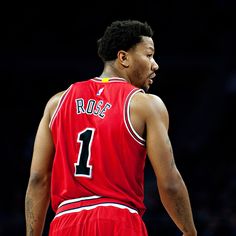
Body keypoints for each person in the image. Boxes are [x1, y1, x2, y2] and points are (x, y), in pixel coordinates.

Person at [25, 19, 197, 236]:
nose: (155, 64)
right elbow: (170, 181)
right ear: (123, 57)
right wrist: (189, 231)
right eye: (149, 55)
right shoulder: (145, 104)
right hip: (117, 220)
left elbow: (38, 180)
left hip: (64, 223)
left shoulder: (57, 103)